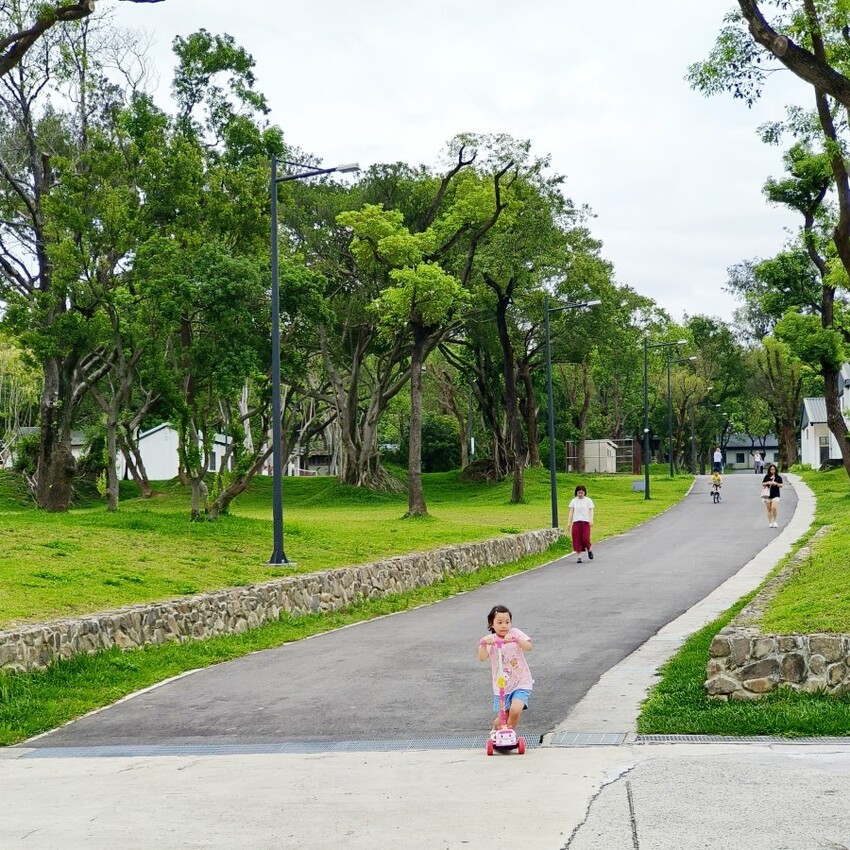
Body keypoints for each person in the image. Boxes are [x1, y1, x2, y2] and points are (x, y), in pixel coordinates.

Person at [478, 605, 533, 740]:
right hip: (502, 685)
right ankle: (495, 731)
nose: (504, 626)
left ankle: (507, 735)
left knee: (515, 710)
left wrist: (516, 640)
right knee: (504, 715)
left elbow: (529, 646)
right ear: (492, 624)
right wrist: (484, 644)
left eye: (507, 622)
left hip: (521, 682)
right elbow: (482, 658)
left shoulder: (515, 633)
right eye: (500, 622)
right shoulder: (490, 639)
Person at [567, 484, 595, 563]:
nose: (580, 494)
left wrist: (591, 519)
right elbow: (571, 512)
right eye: (579, 492)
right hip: (576, 522)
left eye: (582, 493)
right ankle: (579, 557)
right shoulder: (573, 501)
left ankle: (589, 549)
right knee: (577, 539)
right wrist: (569, 523)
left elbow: (591, 510)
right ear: (576, 493)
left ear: (584, 492)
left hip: (585, 522)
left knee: (585, 538)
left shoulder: (588, 500)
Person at [762, 463, 783, 528]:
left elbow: (781, 485)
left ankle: (775, 521)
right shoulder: (767, 476)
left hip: (776, 494)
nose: (772, 470)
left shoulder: (778, 477)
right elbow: (763, 484)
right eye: (771, 469)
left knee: (773, 508)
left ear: (775, 470)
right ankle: (770, 522)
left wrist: (776, 483)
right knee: (769, 509)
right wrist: (768, 482)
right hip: (767, 495)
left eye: (773, 469)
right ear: (769, 470)